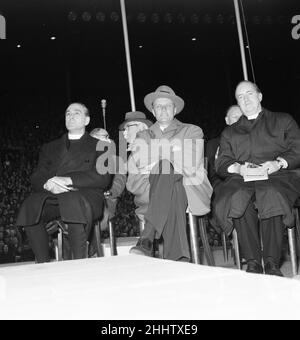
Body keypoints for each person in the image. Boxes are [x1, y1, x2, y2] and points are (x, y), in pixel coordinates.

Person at [214, 81, 300, 276]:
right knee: (237, 196)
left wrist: (278, 163)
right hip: (243, 178)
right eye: (240, 97)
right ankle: (252, 261)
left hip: (279, 175)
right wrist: (237, 167)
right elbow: (221, 163)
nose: (245, 99)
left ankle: (271, 262)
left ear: (260, 96)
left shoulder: (283, 120)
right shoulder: (230, 131)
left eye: (249, 94)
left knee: (270, 193)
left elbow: (298, 148)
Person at [16, 103, 111, 262]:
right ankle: (42, 262)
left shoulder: (102, 147)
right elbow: (37, 176)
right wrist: (48, 184)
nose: (71, 116)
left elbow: (103, 178)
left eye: (76, 113)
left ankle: (79, 262)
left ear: (87, 120)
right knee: (31, 204)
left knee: (71, 201)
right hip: (54, 194)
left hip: (87, 195)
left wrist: (68, 180)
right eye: (68, 113)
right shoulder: (50, 147)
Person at [128, 85, 212, 262]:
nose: (163, 109)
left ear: (175, 109)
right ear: (152, 110)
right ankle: (179, 258)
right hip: (150, 187)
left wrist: (154, 157)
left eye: (168, 105)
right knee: (171, 180)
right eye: (159, 106)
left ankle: (147, 237)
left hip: (190, 185)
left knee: (165, 169)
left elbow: (190, 163)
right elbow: (136, 163)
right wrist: (174, 150)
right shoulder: (142, 135)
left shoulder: (192, 130)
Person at [120, 111, 153, 223]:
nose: (124, 133)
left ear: (140, 127)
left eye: (127, 128)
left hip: (154, 205)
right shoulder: (133, 154)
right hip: (145, 206)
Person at [206, 105, 242, 189]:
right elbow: (212, 175)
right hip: (226, 188)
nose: (239, 120)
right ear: (227, 120)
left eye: (242, 117)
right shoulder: (214, 144)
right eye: (235, 117)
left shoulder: (257, 141)